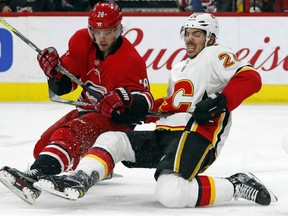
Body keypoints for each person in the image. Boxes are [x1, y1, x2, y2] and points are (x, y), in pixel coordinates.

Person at [33, 13, 277, 207]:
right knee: (111, 138)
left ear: (210, 38)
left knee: (171, 194)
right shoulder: (181, 66)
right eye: (187, 34)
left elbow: (251, 78)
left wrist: (220, 101)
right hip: (165, 133)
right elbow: (169, 105)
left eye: (198, 34)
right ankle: (81, 177)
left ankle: (235, 184)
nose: (190, 39)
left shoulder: (216, 54)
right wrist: (129, 108)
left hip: (194, 135)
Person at [0, 2, 153, 205]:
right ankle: (98, 164)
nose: (102, 38)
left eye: (108, 31)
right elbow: (64, 86)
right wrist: (54, 74)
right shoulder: (81, 41)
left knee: (71, 133)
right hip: (86, 111)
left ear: (119, 29)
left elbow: (145, 102)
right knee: (43, 147)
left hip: (115, 121)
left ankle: (34, 176)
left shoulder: (131, 60)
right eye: (97, 31)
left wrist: (124, 100)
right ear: (90, 29)